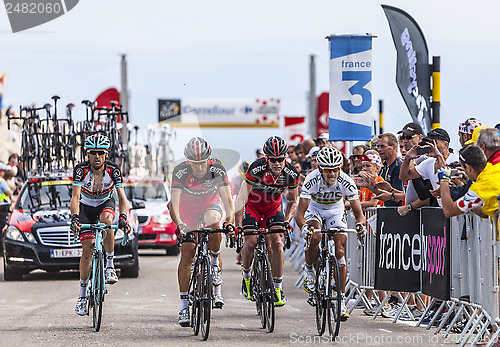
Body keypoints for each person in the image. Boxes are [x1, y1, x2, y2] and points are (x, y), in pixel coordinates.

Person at [169, 137, 235, 326]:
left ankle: (214, 262)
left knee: (214, 220)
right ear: (188, 162)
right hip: (187, 210)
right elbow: (174, 203)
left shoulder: (217, 169)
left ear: (209, 159)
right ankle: (183, 306)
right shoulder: (180, 171)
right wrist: (180, 224)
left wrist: (229, 222)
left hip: (209, 204)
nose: (199, 168)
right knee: (187, 253)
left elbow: (228, 201)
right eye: (195, 164)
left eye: (202, 163)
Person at [295, 147, 366, 320]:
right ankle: (310, 270)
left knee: (340, 249)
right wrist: (305, 228)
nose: (332, 174)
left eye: (336, 169)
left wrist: (360, 225)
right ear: (320, 169)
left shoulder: (346, 181)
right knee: (316, 235)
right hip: (315, 209)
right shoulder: (312, 180)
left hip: (335, 210)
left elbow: (359, 214)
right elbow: (300, 213)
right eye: (328, 170)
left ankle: (341, 302)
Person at [70, 134, 130, 316]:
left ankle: (110, 265)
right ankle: (82, 297)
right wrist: (75, 217)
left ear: (106, 155)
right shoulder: (81, 170)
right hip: (86, 207)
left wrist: (123, 217)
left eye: (100, 153)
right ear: (87, 154)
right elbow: (75, 197)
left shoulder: (113, 169)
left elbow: (122, 198)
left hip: (105, 203)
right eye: (93, 153)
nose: (97, 156)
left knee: (107, 222)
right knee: (87, 248)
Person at [236, 136, 299, 307]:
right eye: (273, 160)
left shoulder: (290, 173)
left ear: (285, 157)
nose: (277, 163)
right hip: (254, 207)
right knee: (250, 244)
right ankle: (247, 277)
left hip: (273, 207)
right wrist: (238, 224)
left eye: (280, 159)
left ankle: (277, 288)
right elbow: (242, 198)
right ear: (266, 158)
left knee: (276, 243)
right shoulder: (257, 168)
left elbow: (293, 201)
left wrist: (287, 221)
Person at [400, 128, 459, 206]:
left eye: (434, 143)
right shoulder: (429, 162)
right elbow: (404, 176)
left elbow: (446, 177)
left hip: (458, 208)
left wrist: (439, 156)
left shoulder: (456, 159)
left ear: (446, 145)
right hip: (443, 209)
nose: (431, 146)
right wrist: (407, 158)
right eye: (429, 143)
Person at [439, 145, 500, 219]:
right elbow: (484, 213)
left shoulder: (478, 189)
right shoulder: (497, 167)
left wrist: (444, 181)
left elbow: (449, 211)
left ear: (468, 168)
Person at [376, 133, 404, 206]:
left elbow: (399, 197)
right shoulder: (385, 167)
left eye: (382, 146)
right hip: (388, 210)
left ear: (394, 148)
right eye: (378, 146)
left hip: (398, 212)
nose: (379, 149)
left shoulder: (398, 166)